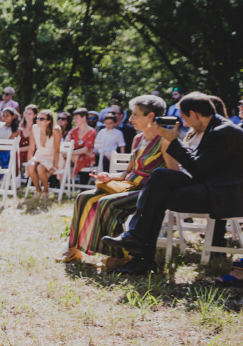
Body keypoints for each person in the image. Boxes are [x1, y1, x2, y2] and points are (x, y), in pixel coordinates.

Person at [103, 92, 243, 276]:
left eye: (184, 118)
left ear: (194, 114)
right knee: (159, 178)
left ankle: (139, 251)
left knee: (157, 192)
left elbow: (198, 169)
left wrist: (173, 140)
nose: (184, 124)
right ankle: (137, 247)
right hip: (210, 186)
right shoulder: (214, 128)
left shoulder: (223, 132)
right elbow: (200, 167)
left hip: (224, 195)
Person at [61, 95, 178, 265]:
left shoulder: (165, 141)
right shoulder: (138, 139)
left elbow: (174, 174)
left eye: (135, 114)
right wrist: (109, 176)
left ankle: (121, 254)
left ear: (151, 116)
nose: (130, 119)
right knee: (83, 197)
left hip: (147, 193)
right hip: (127, 185)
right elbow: (128, 172)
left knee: (107, 203)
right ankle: (74, 249)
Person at [25, 109, 61, 197]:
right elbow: (31, 148)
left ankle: (46, 190)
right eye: (37, 118)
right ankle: (38, 190)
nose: (38, 120)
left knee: (40, 168)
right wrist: (29, 161)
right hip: (39, 155)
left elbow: (57, 149)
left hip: (52, 157)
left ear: (48, 121)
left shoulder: (55, 130)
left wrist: (55, 166)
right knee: (31, 166)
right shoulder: (34, 128)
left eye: (41, 119)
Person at [66, 108, 97, 184]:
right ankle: (63, 187)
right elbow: (66, 143)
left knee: (66, 158)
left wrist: (69, 153)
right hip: (72, 156)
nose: (74, 120)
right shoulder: (73, 131)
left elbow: (85, 150)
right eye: (74, 118)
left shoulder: (92, 132)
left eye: (76, 118)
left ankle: (64, 186)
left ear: (84, 118)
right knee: (63, 160)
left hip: (87, 158)